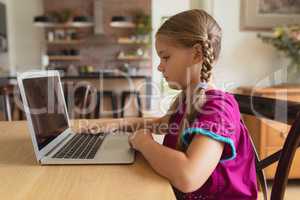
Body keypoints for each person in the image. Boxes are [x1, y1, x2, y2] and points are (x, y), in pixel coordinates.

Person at [88, 9, 258, 200]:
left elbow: (188, 176)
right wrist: (118, 124)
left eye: (166, 57)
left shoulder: (218, 108)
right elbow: (161, 124)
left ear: (196, 54)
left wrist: (144, 142)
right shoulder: (190, 100)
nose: (160, 66)